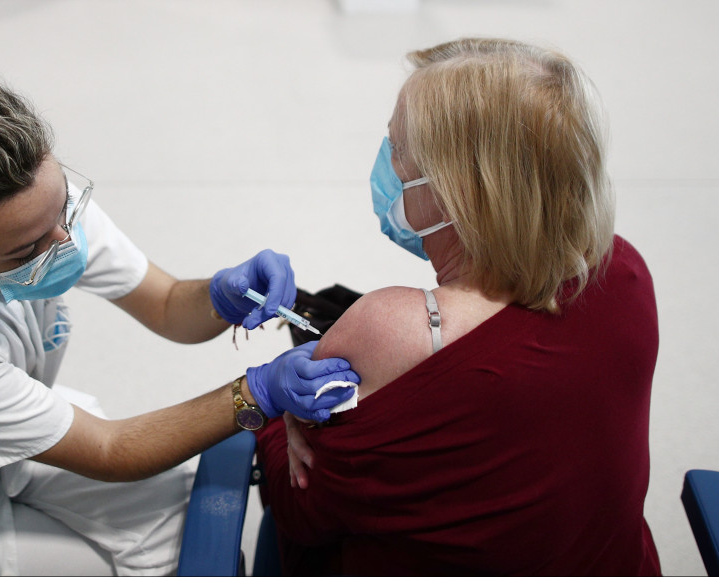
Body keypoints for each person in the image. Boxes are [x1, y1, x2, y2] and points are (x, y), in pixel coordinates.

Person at [0, 19, 359, 576]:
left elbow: (167, 303)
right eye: (26, 252)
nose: (67, 242)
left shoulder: (35, 204)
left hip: (13, 446)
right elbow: (111, 449)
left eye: (63, 209)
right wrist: (255, 393)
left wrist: (221, 296)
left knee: (179, 533)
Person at [254, 37, 661, 576]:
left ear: (456, 190)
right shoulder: (623, 271)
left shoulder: (392, 332)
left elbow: (300, 508)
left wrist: (272, 410)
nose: (386, 164)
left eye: (397, 148)